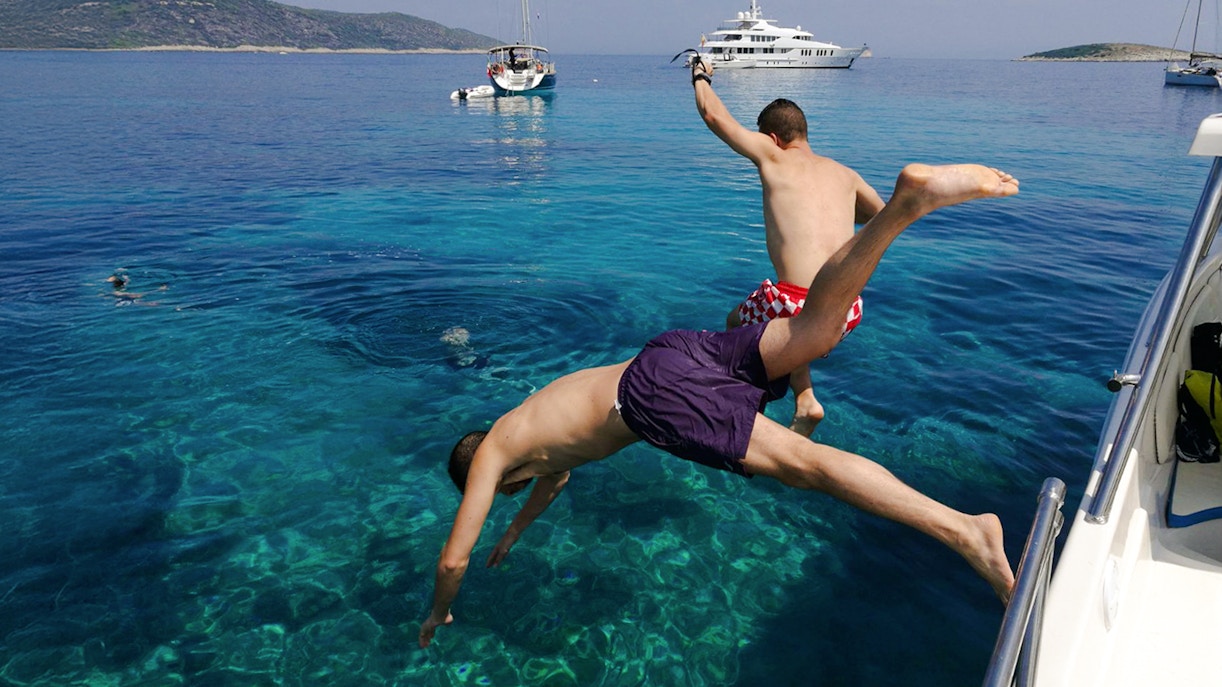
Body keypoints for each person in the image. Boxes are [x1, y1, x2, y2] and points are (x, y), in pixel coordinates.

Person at [419, 163, 1020, 649]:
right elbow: (556, 475)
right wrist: (517, 533)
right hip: (667, 353)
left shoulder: (495, 453)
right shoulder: (528, 428)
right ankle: (903, 207)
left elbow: (452, 561)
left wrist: (438, 614)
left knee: (802, 467)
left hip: (650, 397)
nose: (508, 493)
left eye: (500, 493)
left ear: (482, 474)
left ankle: (967, 531)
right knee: (815, 330)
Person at [691, 58, 887, 437]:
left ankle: (743, 404)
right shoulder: (845, 174)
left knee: (737, 322)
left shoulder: (773, 156)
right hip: (849, 309)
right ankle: (803, 398)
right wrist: (843, 216)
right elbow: (881, 217)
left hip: (795, 303)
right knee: (795, 320)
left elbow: (714, 117)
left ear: (772, 138)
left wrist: (700, 75)